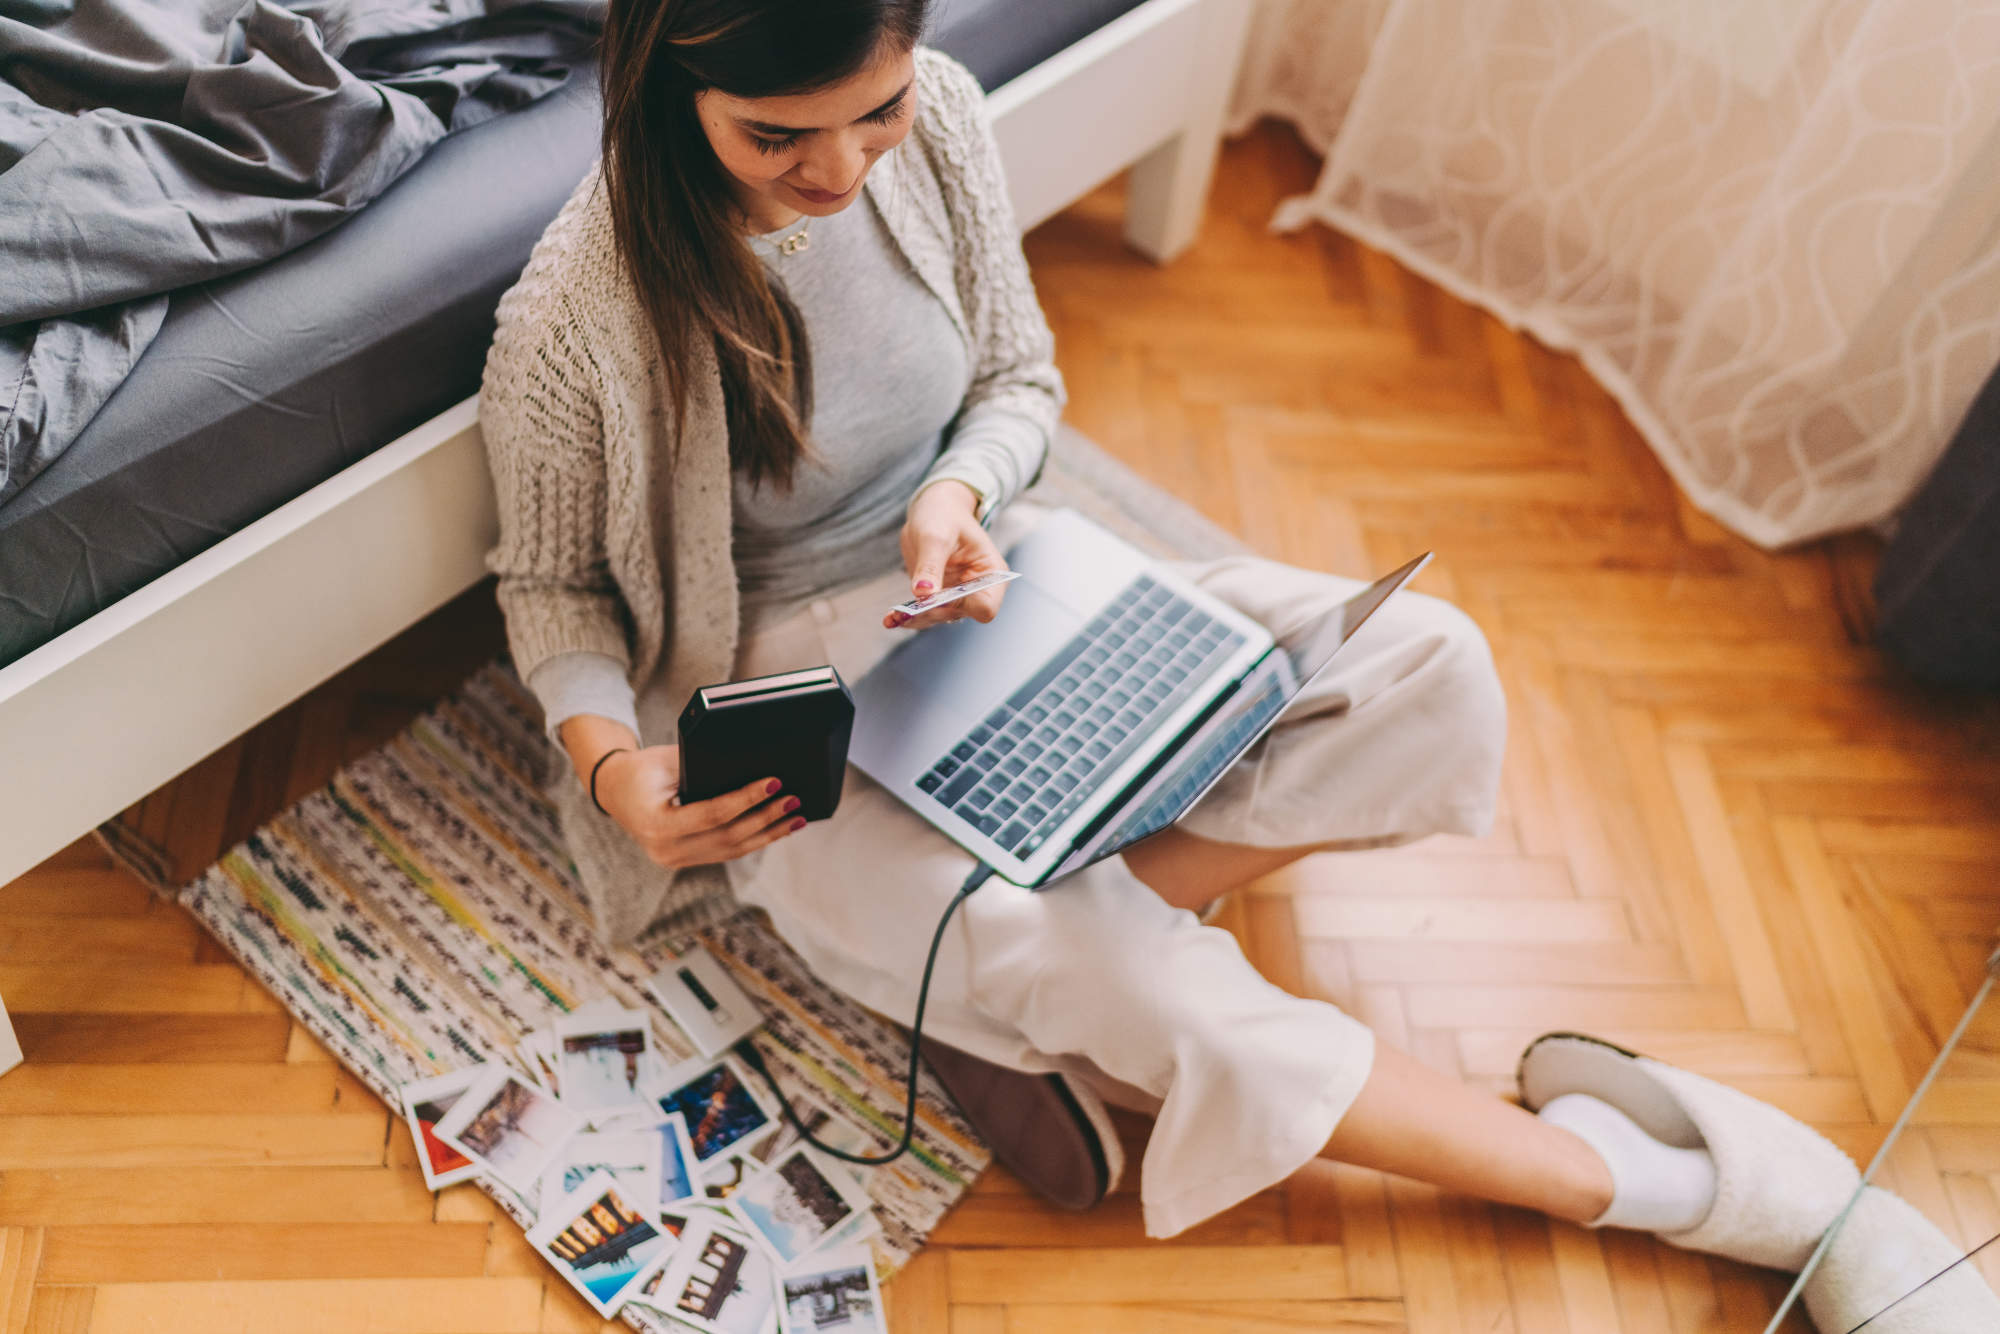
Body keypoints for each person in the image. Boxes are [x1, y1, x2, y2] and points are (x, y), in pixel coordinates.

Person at [477, 2, 1997, 1326]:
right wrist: (619, 771)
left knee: (1429, 667)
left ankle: (1030, 995)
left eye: (874, 105)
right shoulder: (575, 317)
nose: (844, 166)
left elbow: (1018, 379)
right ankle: (1701, 1188)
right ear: (664, 81)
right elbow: (550, 589)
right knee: (1119, 966)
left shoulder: (931, 122)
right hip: (787, 680)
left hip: (987, 589)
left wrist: (961, 494)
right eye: (780, 137)